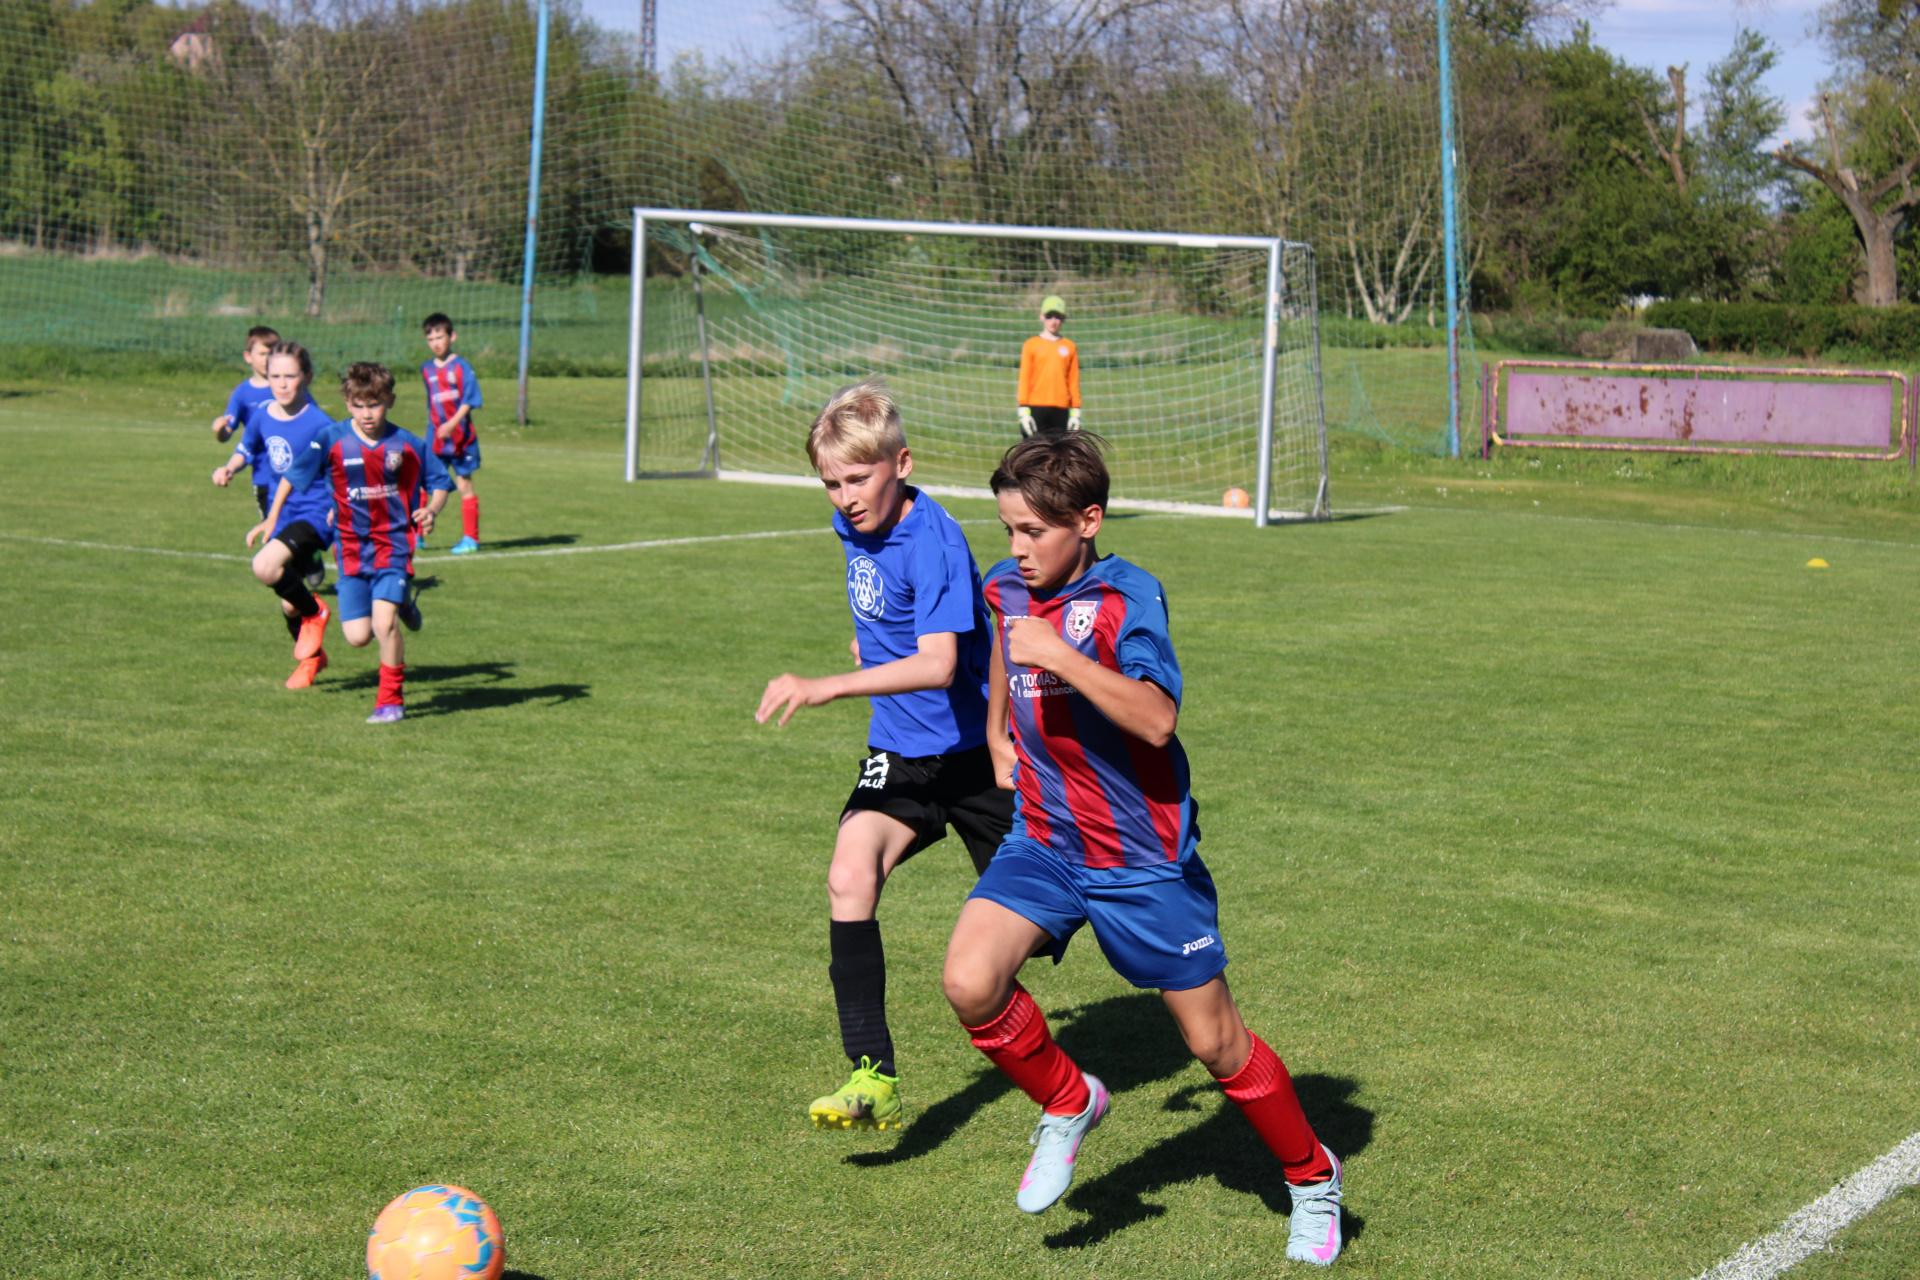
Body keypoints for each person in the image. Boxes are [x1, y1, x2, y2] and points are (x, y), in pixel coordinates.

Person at [942, 432, 1344, 1265]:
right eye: (1009, 529)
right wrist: (997, 735)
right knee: (970, 981)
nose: (1017, 548)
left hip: (1140, 859)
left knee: (1214, 1044)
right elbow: (1006, 653)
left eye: (1034, 531)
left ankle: (1312, 1178)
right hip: (1045, 837)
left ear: (1088, 522)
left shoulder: (1128, 596)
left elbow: (1157, 719)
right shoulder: (1006, 585)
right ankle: (1069, 1102)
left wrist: (1061, 656)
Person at [756, 376, 1014, 1132]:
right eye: (831, 484)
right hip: (901, 752)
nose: (845, 498)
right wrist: (867, 645)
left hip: (976, 756)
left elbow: (938, 663)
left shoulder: (932, 538)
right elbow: (890, 613)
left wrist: (828, 684)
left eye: (858, 479)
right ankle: (872, 1075)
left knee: (1037, 932)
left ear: (902, 464)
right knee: (849, 874)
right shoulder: (859, 522)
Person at [261, 361, 451, 724]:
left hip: (393, 545)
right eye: (359, 405)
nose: (367, 414)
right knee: (357, 636)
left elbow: (440, 481)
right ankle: (403, 601)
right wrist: (272, 517)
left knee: (384, 625)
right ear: (347, 403)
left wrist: (431, 509)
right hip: (350, 551)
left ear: (390, 401)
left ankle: (390, 701)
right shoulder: (331, 438)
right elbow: (294, 475)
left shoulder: (407, 443)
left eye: (375, 404)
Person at [217, 340, 337, 690]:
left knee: (264, 566)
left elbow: (339, 469)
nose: (282, 384)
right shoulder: (261, 415)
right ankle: (312, 659)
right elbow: (246, 448)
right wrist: (229, 468)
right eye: (275, 376)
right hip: (281, 512)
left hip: (315, 512)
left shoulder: (320, 423)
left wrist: (337, 506)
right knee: (289, 605)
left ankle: (317, 612)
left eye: (291, 376)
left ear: (308, 377)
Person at [420, 312, 483, 555]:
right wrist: (431, 431)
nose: (436, 343)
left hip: (461, 438)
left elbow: (469, 400)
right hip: (436, 439)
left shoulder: (461, 366)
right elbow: (431, 404)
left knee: (464, 483)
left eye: (440, 337)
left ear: (452, 336)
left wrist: (452, 424)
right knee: (424, 484)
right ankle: (417, 534)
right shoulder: (426, 369)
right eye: (430, 339)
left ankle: (471, 539)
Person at [208, 325, 282, 517]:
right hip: (264, 478)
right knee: (274, 530)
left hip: (296, 476)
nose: (267, 359)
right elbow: (227, 435)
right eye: (262, 354)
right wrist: (220, 429)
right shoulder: (243, 393)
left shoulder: (289, 387)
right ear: (248, 356)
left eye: (273, 354)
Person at [1016, 295, 1081, 438]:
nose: (1053, 321)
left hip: (1061, 409)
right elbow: (1024, 379)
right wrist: (1023, 410)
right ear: (1041, 316)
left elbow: (1073, 381)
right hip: (1036, 408)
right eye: (1049, 316)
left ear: (1063, 319)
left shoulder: (1069, 346)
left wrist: (1076, 412)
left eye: (1057, 317)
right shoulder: (1031, 345)